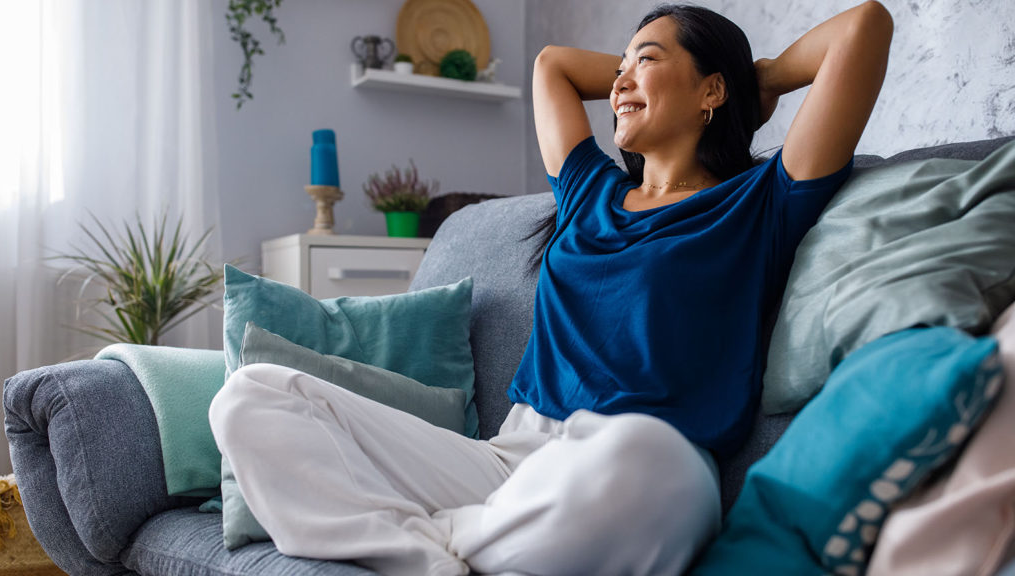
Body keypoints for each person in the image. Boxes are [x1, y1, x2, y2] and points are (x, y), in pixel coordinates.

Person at [209, 3, 893, 575]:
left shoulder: (759, 203)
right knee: (255, 394)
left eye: (646, 60)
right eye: (619, 66)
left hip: (642, 459)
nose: (621, 80)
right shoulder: (591, 192)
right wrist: (645, 70)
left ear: (712, 91)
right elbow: (552, 68)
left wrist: (754, 78)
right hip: (511, 456)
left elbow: (863, 26)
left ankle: (440, 539)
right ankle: (434, 552)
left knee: (651, 467)